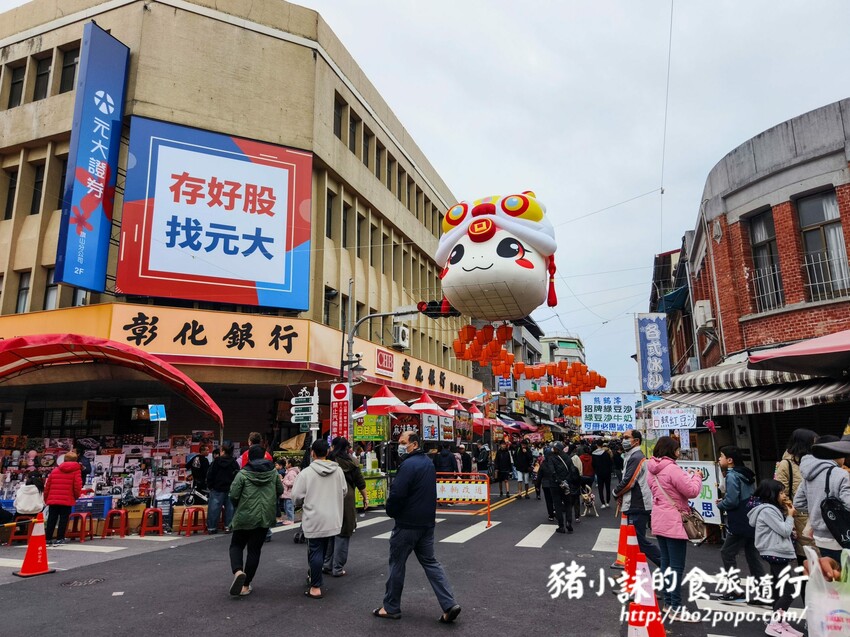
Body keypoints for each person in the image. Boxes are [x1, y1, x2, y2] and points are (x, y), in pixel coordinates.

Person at [373, 431, 461, 623]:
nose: (400, 445)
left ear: (413, 444)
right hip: (426, 524)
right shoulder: (428, 463)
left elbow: (397, 494)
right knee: (431, 563)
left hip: (407, 524)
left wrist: (391, 511)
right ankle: (449, 604)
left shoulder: (408, 465)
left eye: (403, 442)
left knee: (397, 563)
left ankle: (390, 607)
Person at [646, 436, 703, 622]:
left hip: (659, 518)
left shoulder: (651, 469)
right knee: (676, 567)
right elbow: (691, 491)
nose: (679, 452)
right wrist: (697, 476)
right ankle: (676, 607)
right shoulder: (672, 469)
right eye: (678, 449)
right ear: (672, 450)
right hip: (674, 520)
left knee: (666, 564)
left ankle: (669, 603)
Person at [291, 439, 347, 600]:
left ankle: (315, 586)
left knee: (315, 550)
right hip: (332, 518)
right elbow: (344, 491)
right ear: (327, 452)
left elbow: (296, 497)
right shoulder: (338, 471)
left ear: (312, 453)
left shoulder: (306, 473)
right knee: (322, 549)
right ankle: (314, 576)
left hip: (314, 517)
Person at [748, 479, 805, 637]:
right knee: (789, 591)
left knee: (777, 588)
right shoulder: (768, 510)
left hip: (774, 551)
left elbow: (779, 531)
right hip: (776, 553)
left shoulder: (770, 509)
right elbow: (784, 530)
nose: (784, 495)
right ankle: (775, 623)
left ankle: (777, 621)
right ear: (771, 494)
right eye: (781, 492)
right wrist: (791, 516)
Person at [227, 444, 282, 596]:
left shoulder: (243, 474)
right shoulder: (273, 473)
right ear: (264, 456)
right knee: (254, 550)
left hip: (244, 514)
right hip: (264, 516)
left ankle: (238, 571)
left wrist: (238, 506)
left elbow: (233, 494)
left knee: (236, 545)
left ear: (249, 457)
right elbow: (281, 490)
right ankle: (246, 585)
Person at [714, 445, 766, 600]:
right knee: (752, 554)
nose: (719, 459)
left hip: (739, 520)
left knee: (727, 552)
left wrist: (720, 504)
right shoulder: (746, 473)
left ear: (730, 460)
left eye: (721, 456)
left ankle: (735, 589)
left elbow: (732, 500)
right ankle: (763, 591)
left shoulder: (732, 475)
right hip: (751, 517)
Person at [794, 433, 850, 563]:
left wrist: (817, 510)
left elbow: (798, 502)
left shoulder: (809, 474)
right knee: (844, 577)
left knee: (833, 577)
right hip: (841, 536)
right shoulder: (841, 474)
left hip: (819, 537)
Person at [612, 430, 660, 568]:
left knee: (638, 541)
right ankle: (634, 572)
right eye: (623, 438)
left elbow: (629, 481)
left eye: (627, 438)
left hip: (638, 504)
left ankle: (666, 565)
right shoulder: (631, 456)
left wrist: (616, 493)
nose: (623, 440)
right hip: (634, 503)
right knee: (634, 542)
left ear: (636, 441)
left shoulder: (636, 457)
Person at [773, 429, 818, 570]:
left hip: (818, 516)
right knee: (807, 562)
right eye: (813, 442)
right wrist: (791, 515)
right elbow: (781, 493)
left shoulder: (817, 461)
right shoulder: (786, 465)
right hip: (801, 520)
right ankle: (807, 591)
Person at [324, 437, 368, 577]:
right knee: (344, 532)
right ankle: (337, 568)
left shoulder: (327, 461)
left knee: (330, 532)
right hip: (346, 498)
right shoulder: (352, 462)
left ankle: (327, 564)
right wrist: (365, 498)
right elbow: (360, 482)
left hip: (328, 497)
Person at [44, 451, 82, 545]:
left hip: (53, 499)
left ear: (64, 459)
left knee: (51, 518)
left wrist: (46, 498)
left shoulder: (55, 470)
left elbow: (48, 486)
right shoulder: (76, 471)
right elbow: (77, 486)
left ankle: (48, 538)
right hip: (67, 499)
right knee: (63, 519)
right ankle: (60, 538)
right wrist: (76, 496)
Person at [547, 441, 579, 533]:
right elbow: (572, 470)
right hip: (566, 484)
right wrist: (566, 481)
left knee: (557, 505)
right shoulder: (568, 458)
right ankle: (569, 523)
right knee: (568, 504)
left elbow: (552, 471)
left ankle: (561, 526)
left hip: (555, 485)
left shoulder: (551, 458)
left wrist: (559, 481)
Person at [207, 442, 239, 534]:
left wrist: (210, 485)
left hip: (217, 488)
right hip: (230, 489)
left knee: (214, 508)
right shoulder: (234, 462)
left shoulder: (216, 462)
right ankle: (228, 527)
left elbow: (210, 474)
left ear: (223, 451)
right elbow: (237, 476)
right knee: (230, 508)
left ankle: (212, 528)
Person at [591, 440, 613, 509]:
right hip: (607, 473)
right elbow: (610, 463)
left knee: (600, 488)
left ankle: (603, 503)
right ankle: (608, 502)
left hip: (599, 473)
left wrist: (596, 471)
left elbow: (593, 464)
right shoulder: (606, 453)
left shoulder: (594, 454)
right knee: (607, 487)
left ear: (597, 445)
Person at [536, 449, 555, 520]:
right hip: (554, 484)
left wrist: (537, 486)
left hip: (545, 484)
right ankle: (555, 510)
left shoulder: (543, 464)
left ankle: (551, 515)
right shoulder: (554, 463)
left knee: (548, 500)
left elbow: (539, 476)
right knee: (555, 498)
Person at [281, 457, 300, 524]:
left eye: (286, 463)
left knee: (289, 507)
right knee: (286, 507)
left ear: (290, 464)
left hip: (289, 493)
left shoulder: (292, 472)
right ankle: (289, 519)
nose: (285, 464)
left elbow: (293, 482)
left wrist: (284, 481)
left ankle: (291, 520)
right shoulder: (289, 472)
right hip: (287, 493)